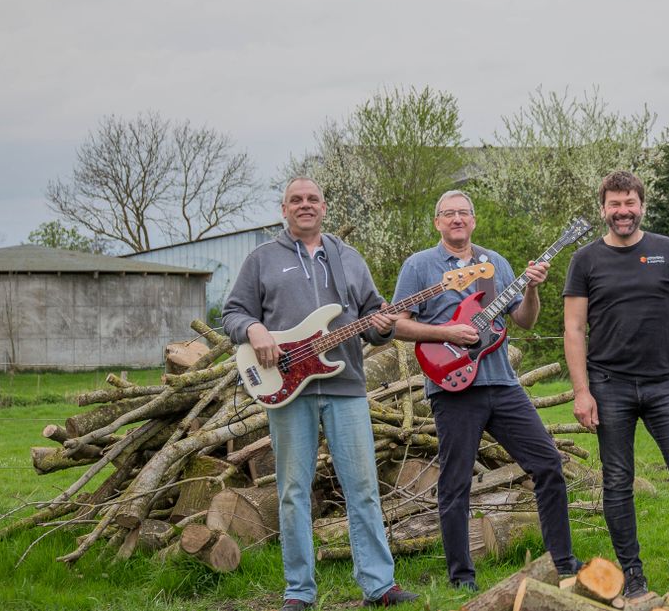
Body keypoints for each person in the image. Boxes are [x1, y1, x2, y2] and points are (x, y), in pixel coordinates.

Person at [222, 177, 418, 611]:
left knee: (363, 487)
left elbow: (372, 316)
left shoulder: (348, 258)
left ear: (324, 208)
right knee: (294, 490)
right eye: (297, 200)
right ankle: (299, 591)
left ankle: (379, 586)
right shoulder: (261, 260)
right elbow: (233, 312)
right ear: (284, 208)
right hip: (287, 389)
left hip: (345, 385)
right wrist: (254, 329)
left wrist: (382, 326)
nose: (305, 205)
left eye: (312, 199)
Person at [390, 190, 579, 590]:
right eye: (449, 213)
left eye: (464, 213)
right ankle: (462, 578)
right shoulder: (419, 266)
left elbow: (524, 321)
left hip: (503, 384)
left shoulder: (496, 263)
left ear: (474, 220)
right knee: (455, 483)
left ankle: (562, 564)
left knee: (547, 464)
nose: (457, 219)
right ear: (437, 222)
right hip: (454, 387)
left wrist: (531, 288)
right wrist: (445, 332)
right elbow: (396, 324)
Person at [564, 170, 669, 598]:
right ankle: (632, 578)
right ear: (603, 208)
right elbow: (573, 328)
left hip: (664, 385)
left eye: (630, 203)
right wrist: (582, 391)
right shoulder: (585, 260)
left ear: (642, 204)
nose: (623, 211)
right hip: (608, 385)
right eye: (614, 204)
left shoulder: (667, 251)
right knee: (618, 481)